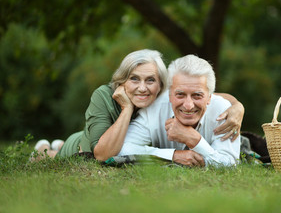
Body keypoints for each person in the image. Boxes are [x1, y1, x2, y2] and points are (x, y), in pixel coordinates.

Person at [32, 50, 244, 162]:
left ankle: (56, 145)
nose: (142, 88)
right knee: (52, 157)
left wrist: (236, 105)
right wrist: (127, 109)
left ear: (161, 85)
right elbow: (108, 154)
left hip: (113, 140)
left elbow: (202, 95)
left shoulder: (175, 97)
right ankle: (45, 149)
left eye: (150, 80)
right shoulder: (105, 96)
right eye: (134, 79)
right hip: (87, 145)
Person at [119, 55, 240, 167]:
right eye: (180, 94)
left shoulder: (223, 110)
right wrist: (173, 155)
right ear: (170, 95)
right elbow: (123, 148)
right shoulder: (153, 107)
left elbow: (230, 163)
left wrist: (194, 140)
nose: (188, 106)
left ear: (209, 97)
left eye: (197, 95)